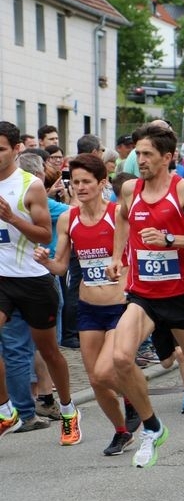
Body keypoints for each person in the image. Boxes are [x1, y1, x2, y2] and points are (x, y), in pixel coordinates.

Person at [106, 122, 184, 467]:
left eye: (147, 154)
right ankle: (152, 427)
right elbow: (122, 219)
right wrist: (117, 257)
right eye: (138, 153)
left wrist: (172, 240)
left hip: (180, 295)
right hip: (143, 294)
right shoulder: (130, 189)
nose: (139, 159)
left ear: (167, 157)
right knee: (120, 359)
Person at [34, 154, 135, 455]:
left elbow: (135, 252)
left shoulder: (118, 213)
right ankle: (121, 431)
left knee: (108, 369)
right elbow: (62, 267)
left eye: (86, 181)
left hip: (121, 305)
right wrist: (45, 261)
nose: (79, 187)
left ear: (102, 182)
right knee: (95, 379)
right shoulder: (68, 218)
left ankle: (133, 398)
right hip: (89, 307)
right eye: (74, 182)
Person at [0, 121, 79, 443]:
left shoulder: (29, 185)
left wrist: (12, 218)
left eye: (1, 148)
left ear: (17, 149)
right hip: (2, 280)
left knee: (49, 352)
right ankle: (7, 411)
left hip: (33, 281)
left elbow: (45, 234)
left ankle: (69, 410)